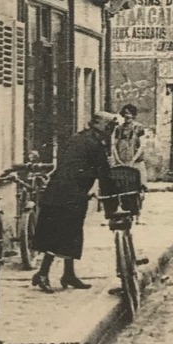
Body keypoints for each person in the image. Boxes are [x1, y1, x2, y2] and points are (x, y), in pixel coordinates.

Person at [31, 111, 117, 291]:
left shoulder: (76, 138)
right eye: (110, 127)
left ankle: (68, 274)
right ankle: (42, 274)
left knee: (70, 234)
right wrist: (112, 208)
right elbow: (105, 177)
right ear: (102, 127)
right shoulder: (96, 146)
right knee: (61, 234)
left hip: (58, 192)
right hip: (71, 195)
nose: (111, 131)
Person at [113, 104, 147, 168]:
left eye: (130, 113)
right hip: (121, 163)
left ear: (133, 115)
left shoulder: (139, 128)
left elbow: (142, 146)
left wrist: (133, 160)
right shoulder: (119, 129)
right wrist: (118, 160)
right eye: (126, 113)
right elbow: (114, 146)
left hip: (136, 163)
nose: (127, 115)